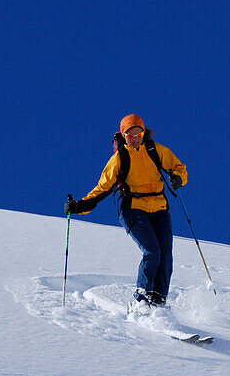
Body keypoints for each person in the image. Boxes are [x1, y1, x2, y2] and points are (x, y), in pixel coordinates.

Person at [65, 114, 187, 311]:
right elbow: (103, 188)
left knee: (165, 255)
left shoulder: (155, 150)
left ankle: (158, 301)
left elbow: (178, 167)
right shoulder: (120, 157)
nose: (135, 138)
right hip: (133, 210)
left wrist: (178, 178)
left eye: (138, 133)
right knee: (152, 251)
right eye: (130, 135)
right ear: (123, 136)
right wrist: (80, 206)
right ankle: (141, 299)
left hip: (159, 209)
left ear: (143, 132)